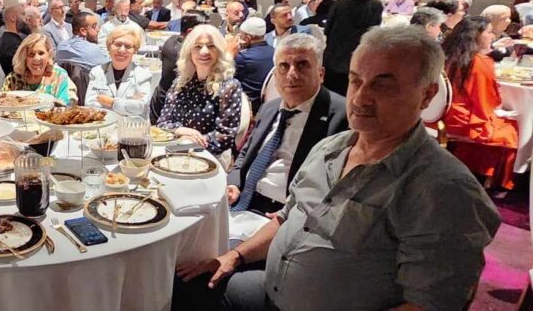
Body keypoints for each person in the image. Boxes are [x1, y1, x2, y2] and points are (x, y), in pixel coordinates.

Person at [177, 26, 499, 311]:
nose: (360, 98)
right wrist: (235, 256)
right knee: (179, 287)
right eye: (356, 80)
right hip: (272, 292)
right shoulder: (331, 148)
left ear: (427, 95)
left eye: (383, 85)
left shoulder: (444, 189)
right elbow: (286, 217)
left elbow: (431, 303)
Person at [227, 34, 348, 216]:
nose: (292, 74)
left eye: (302, 65)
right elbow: (245, 153)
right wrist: (233, 183)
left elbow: (339, 185)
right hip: (245, 199)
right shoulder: (269, 108)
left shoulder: (341, 115)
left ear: (320, 74)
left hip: (291, 213)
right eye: (284, 66)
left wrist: (291, 214)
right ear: (275, 75)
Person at [442, 16, 519, 190]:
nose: (493, 36)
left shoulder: (444, 54)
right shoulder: (478, 62)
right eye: (490, 32)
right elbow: (487, 102)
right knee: (510, 128)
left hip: (438, 116)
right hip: (461, 120)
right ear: (476, 35)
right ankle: (487, 177)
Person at [157, 25, 243, 157]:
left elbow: (225, 135)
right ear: (189, 51)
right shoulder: (180, 83)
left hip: (209, 155)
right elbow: (162, 123)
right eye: (198, 46)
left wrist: (190, 142)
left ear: (219, 50)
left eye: (211, 46)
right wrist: (181, 131)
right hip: (174, 149)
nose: (204, 51)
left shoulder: (229, 86)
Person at [322, 0, 382, 95]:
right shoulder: (376, 6)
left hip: (335, 61)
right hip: (361, 63)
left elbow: (327, 31)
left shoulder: (340, 4)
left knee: (331, 98)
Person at [151, 11, 209, 122]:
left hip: (161, 97)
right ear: (190, 32)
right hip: (170, 105)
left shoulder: (172, 39)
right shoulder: (183, 52)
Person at [86, 26, 152, 116]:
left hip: (131, 124)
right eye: (118, 44)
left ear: (134, 51)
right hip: (104, 123)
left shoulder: (143, 75)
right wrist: (128, 105)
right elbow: (90, 104)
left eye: (128, 46)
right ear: (109, 46)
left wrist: (112, 102)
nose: (122, 50)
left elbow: (141, 107)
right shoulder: (97, 72)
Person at [2, 33, 76, 104]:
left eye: (41, 53)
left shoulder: (59, 76)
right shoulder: (13, 79)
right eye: (31, 54)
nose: (36, 58)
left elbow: (67, 103)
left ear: (49, 54)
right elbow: (1, 103)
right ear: (24, 57)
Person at [233, 18, 274, 113]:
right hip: (267, 105)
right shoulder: (275, 51)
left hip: (247, 107)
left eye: (241, 36)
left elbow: (223, 74)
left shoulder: (243, 57)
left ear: (248, 38)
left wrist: (229, 52)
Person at [0, 4, 26, 77]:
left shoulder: (5, 39)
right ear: (13, 17)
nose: (26, 18)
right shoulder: (12, 45)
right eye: (23, 14)